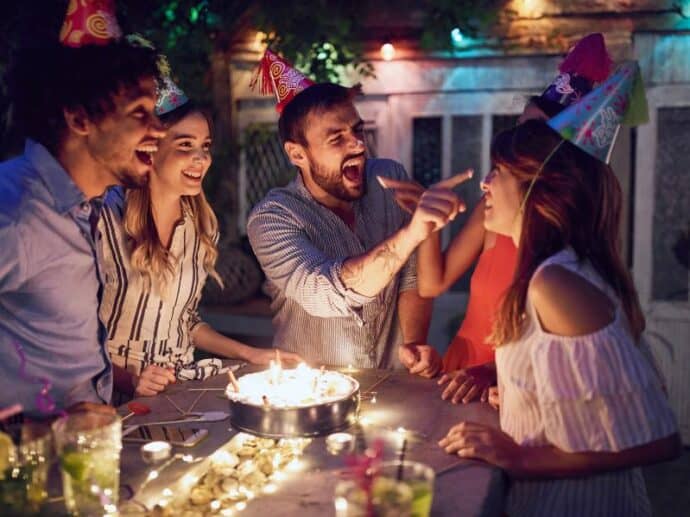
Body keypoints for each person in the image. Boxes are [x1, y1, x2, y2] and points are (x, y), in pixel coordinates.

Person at [439, 93, 680, 515]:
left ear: (537, 188)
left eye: (498, 172)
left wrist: (519, 457)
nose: (485, 184)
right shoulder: (552, 272)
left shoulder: (553, 283)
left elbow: (657, 441)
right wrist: (523, 400)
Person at [381, 33, 613, 403]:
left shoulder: (569, 259)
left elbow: (579, 368)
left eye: (529, 135)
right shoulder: (492, 216)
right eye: (516, 130)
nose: (513, 146)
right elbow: (432, 283)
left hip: (520, 387)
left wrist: (493, 371)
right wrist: (426, 222)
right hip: (463, 368)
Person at [247, 50, 467, 373]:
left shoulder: (388, 180)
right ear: (297, 154)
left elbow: (411, 276)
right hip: (310, 397)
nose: (359, 145)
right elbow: (325, 291)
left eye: (357, 131)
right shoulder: (272, 218)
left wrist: (414, 344)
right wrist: (413, 233)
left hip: (389, 386)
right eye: (337, 138)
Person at [0, 2, 164, 418]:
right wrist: (41, 424)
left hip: (81, 458)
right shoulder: (17, 210)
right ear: (79, 118)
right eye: (140, 113)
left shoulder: (86, 207)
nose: (159, 130)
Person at [100, 76, 300, 399]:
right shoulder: (105, 219)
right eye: (185, 145)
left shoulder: (201, 228)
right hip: (111, 400)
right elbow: (71, 333)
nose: (201, 159)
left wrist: (251, 354)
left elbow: (187, 322)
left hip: (177, 392)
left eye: (205, 146)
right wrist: (128, 379)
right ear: (150, 148)